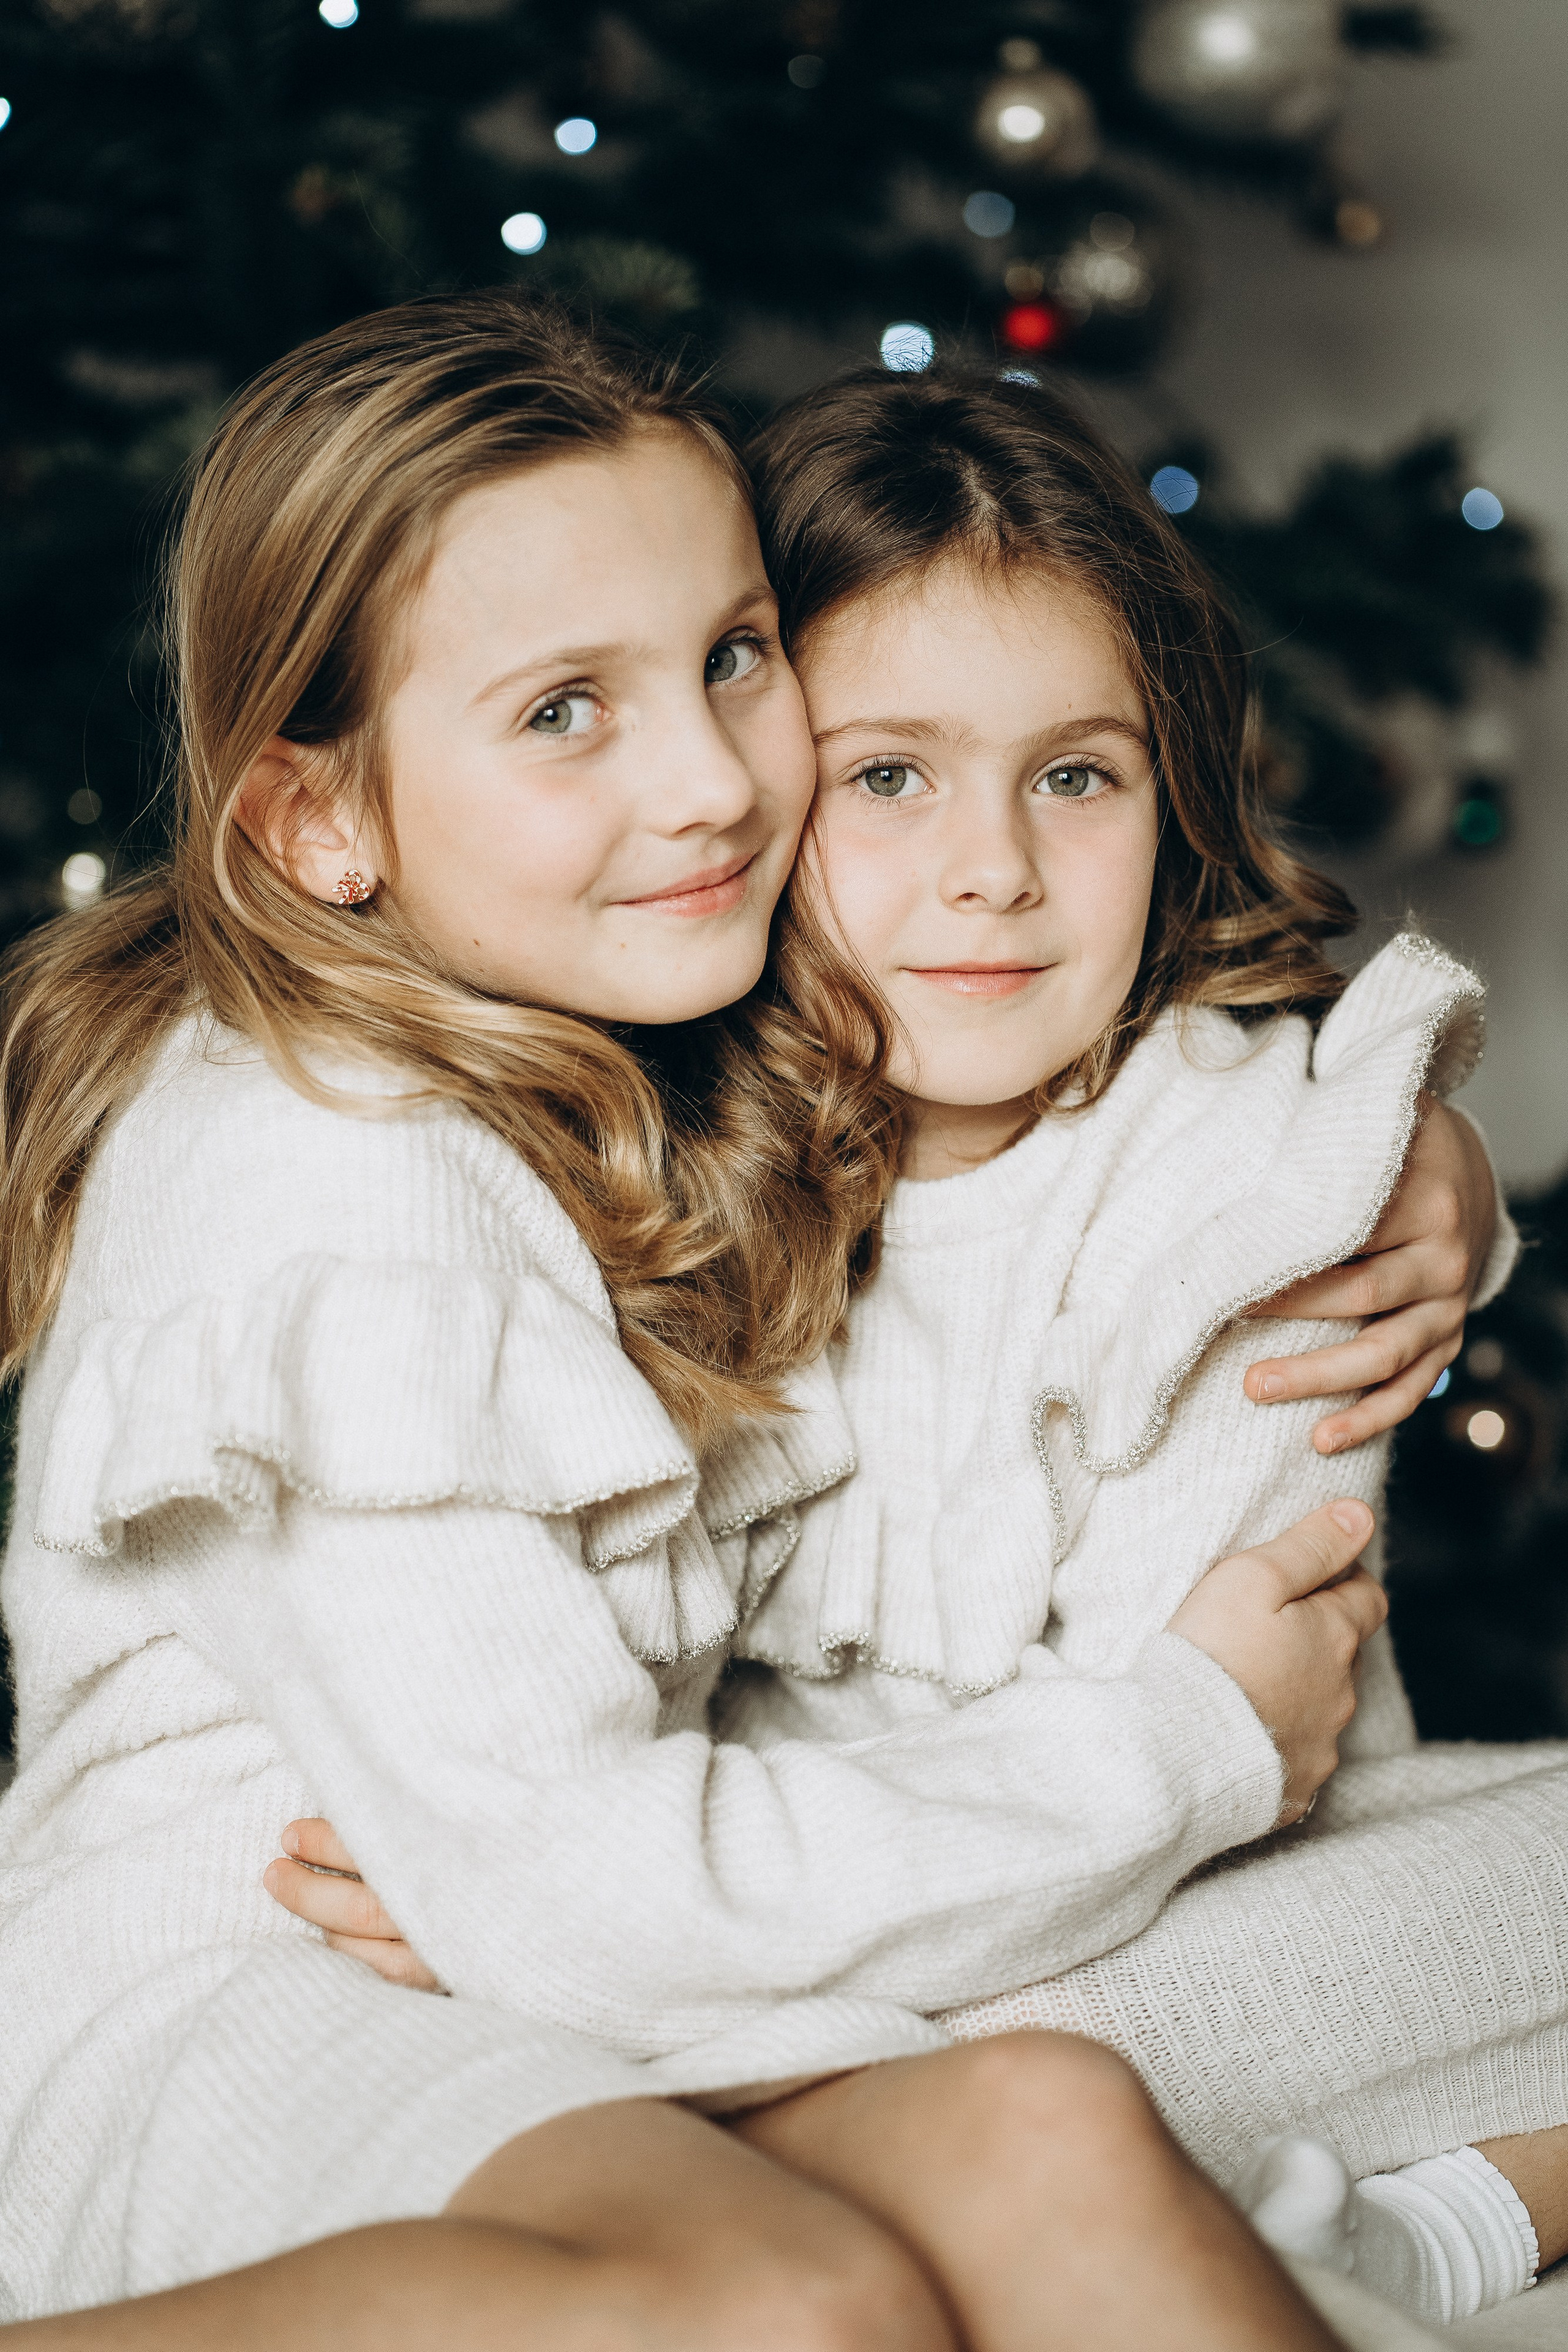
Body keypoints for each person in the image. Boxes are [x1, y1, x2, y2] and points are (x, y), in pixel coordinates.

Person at [0, 292, 1381, 2349]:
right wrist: (1186, 1742)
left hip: (511, 1992)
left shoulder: (617, 1034)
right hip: (239, 2008)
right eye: (566, 709)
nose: (717, 783)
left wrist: (1381, 1154)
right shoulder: (338, 1172)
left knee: (1052, 2138)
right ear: (321, 821)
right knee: (788, 2299)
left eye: (734, 662)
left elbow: (1062, 1061)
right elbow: (578, 1895)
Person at [270, 364, 1566, 2334]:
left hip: (1209, 1907)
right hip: (901, 1942)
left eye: (1077, 774)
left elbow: (1179, 1793)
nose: (995, 871)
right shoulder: (585, 1192)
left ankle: (1396, 2215)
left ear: (1173, 796)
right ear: (748, 788)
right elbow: (591, 1741)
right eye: (890, 776)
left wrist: (564, 1919)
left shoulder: (1265, 1192)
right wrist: (557, 1864)